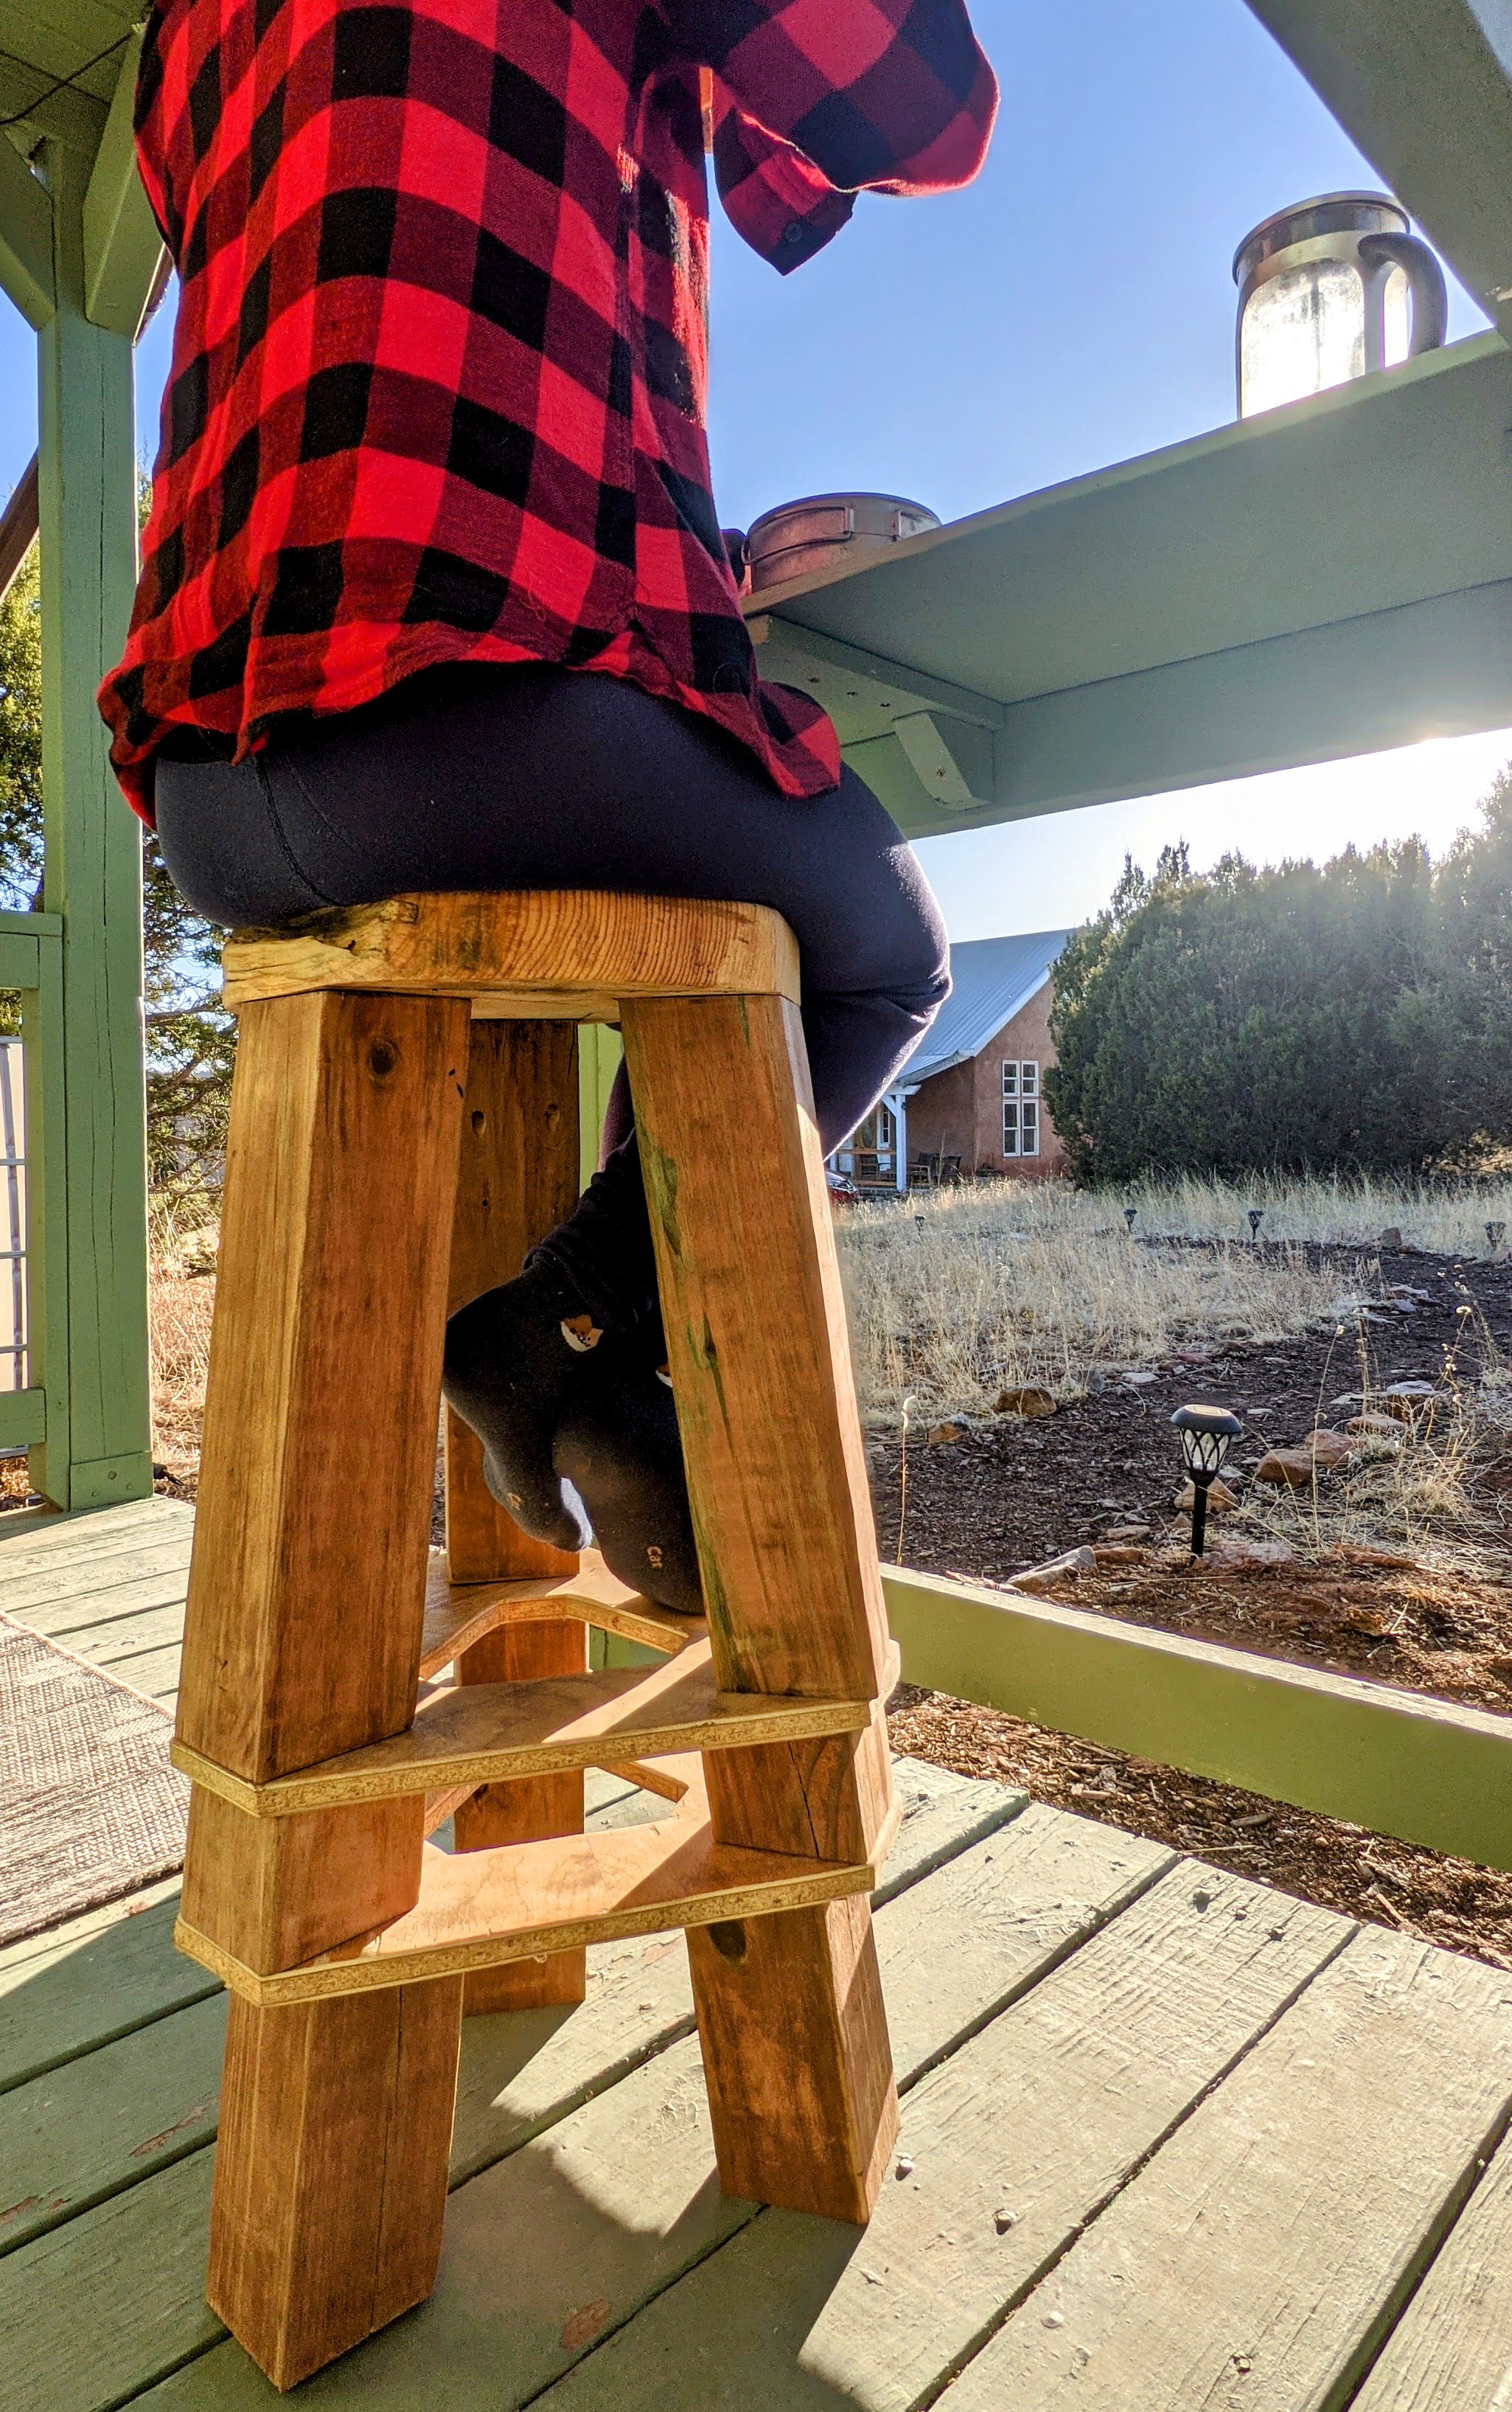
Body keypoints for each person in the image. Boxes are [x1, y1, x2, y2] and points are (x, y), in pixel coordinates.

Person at [100, 0, 998, 1609]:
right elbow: (932, 109)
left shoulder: (182, 29)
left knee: (728, 893)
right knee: (885, 949)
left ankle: (588, 1377)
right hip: (445, 733)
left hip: (210, 796)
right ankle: (551, 1325)